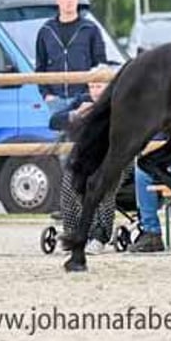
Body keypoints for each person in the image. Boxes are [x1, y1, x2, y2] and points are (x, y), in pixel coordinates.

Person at [51, 66, 118, 255]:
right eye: (92, 86)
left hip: (116, 157)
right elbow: (53, 121)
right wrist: (76, 114)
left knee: (102, 180)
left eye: (100, 86)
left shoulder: (121, 100)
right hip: (88, 157)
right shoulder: (82, 102)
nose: (96, 91)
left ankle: (99, 236)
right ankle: (72, 233)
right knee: (70, 178)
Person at [36, 0, 106, 114]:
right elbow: (40, 65)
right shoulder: (46, 30)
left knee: (85, 134)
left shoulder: (90, 29)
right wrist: (46, 94)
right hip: (56, 99)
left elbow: (100, 64)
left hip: (83, 98)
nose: (69, 1)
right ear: (57, 0)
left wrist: (90, 93)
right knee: (60, 134)